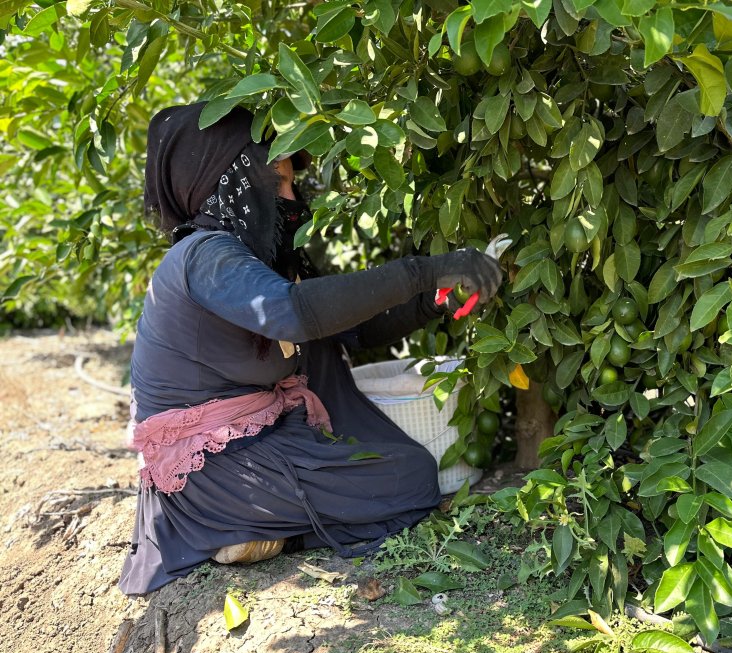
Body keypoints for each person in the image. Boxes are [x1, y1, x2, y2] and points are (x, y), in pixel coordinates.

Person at [119, 102, 503, 595]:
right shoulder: (204, 255)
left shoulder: (259, 260)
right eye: (277, 182)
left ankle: (260, 524)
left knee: (396, 458)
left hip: (256, 439)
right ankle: (242, 528)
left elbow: (353, 331)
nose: (290, 196)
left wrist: (433, 300)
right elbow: (296, 313)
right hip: (207, 471)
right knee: (411, 479)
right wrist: (422, 270)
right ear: (230, 180)